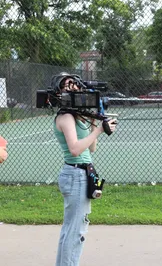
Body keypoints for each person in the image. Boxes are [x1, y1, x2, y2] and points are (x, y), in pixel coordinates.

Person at [54, 73, 117, 266]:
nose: (71, 88)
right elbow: (74, 149)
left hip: (82, 173)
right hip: (75, 175)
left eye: (74, 85)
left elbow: (92, 148)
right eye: (66, 86)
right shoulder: (65, 117)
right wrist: (99, 130)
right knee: (75, 233)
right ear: (59, 92)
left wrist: (94, 123)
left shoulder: (77, 116)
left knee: (71, 231)